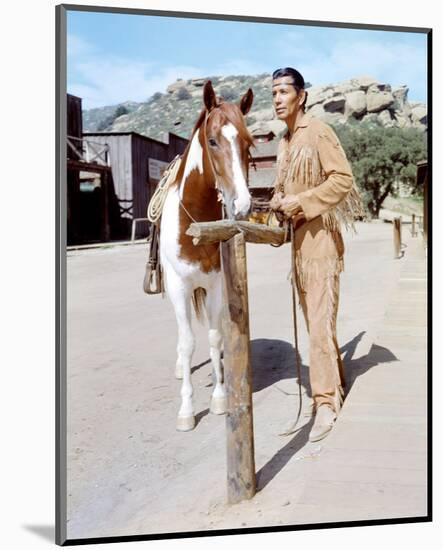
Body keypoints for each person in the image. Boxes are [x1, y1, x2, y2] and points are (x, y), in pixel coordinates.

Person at [269, 67, 364, 442]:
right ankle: (333, 384)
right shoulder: (285, 141)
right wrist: (279, 202)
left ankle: (325, 403)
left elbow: (343, 180)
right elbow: (284, 189)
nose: (276, 99)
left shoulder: (319, 132)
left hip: (322, 244)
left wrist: (302, 202)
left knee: (320, 327)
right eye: (272, 92)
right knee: (315, 324)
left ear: (301, 96)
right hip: (298, 247)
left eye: (282, 91)